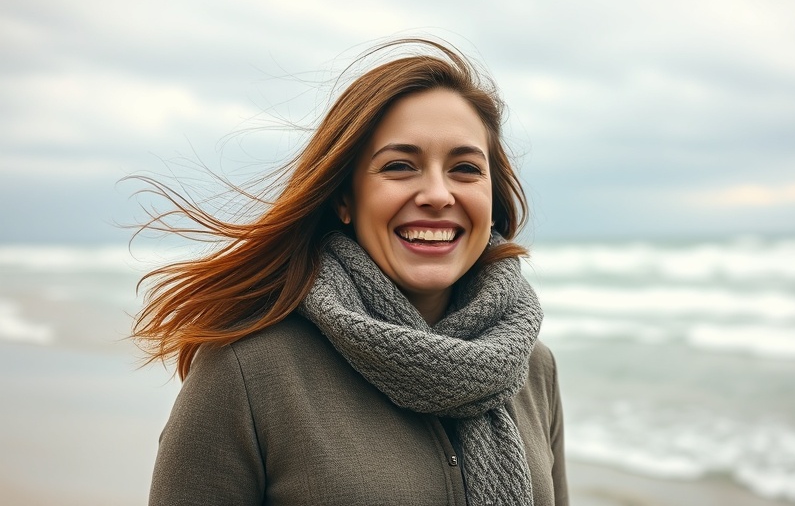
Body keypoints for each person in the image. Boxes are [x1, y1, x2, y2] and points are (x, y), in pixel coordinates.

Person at [135, 38, 567, 506]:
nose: (439, 194)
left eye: (465, 169)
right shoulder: (247, 370)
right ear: (345, 198)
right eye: (400, 166)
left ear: (492, 198)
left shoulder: (532, 368)